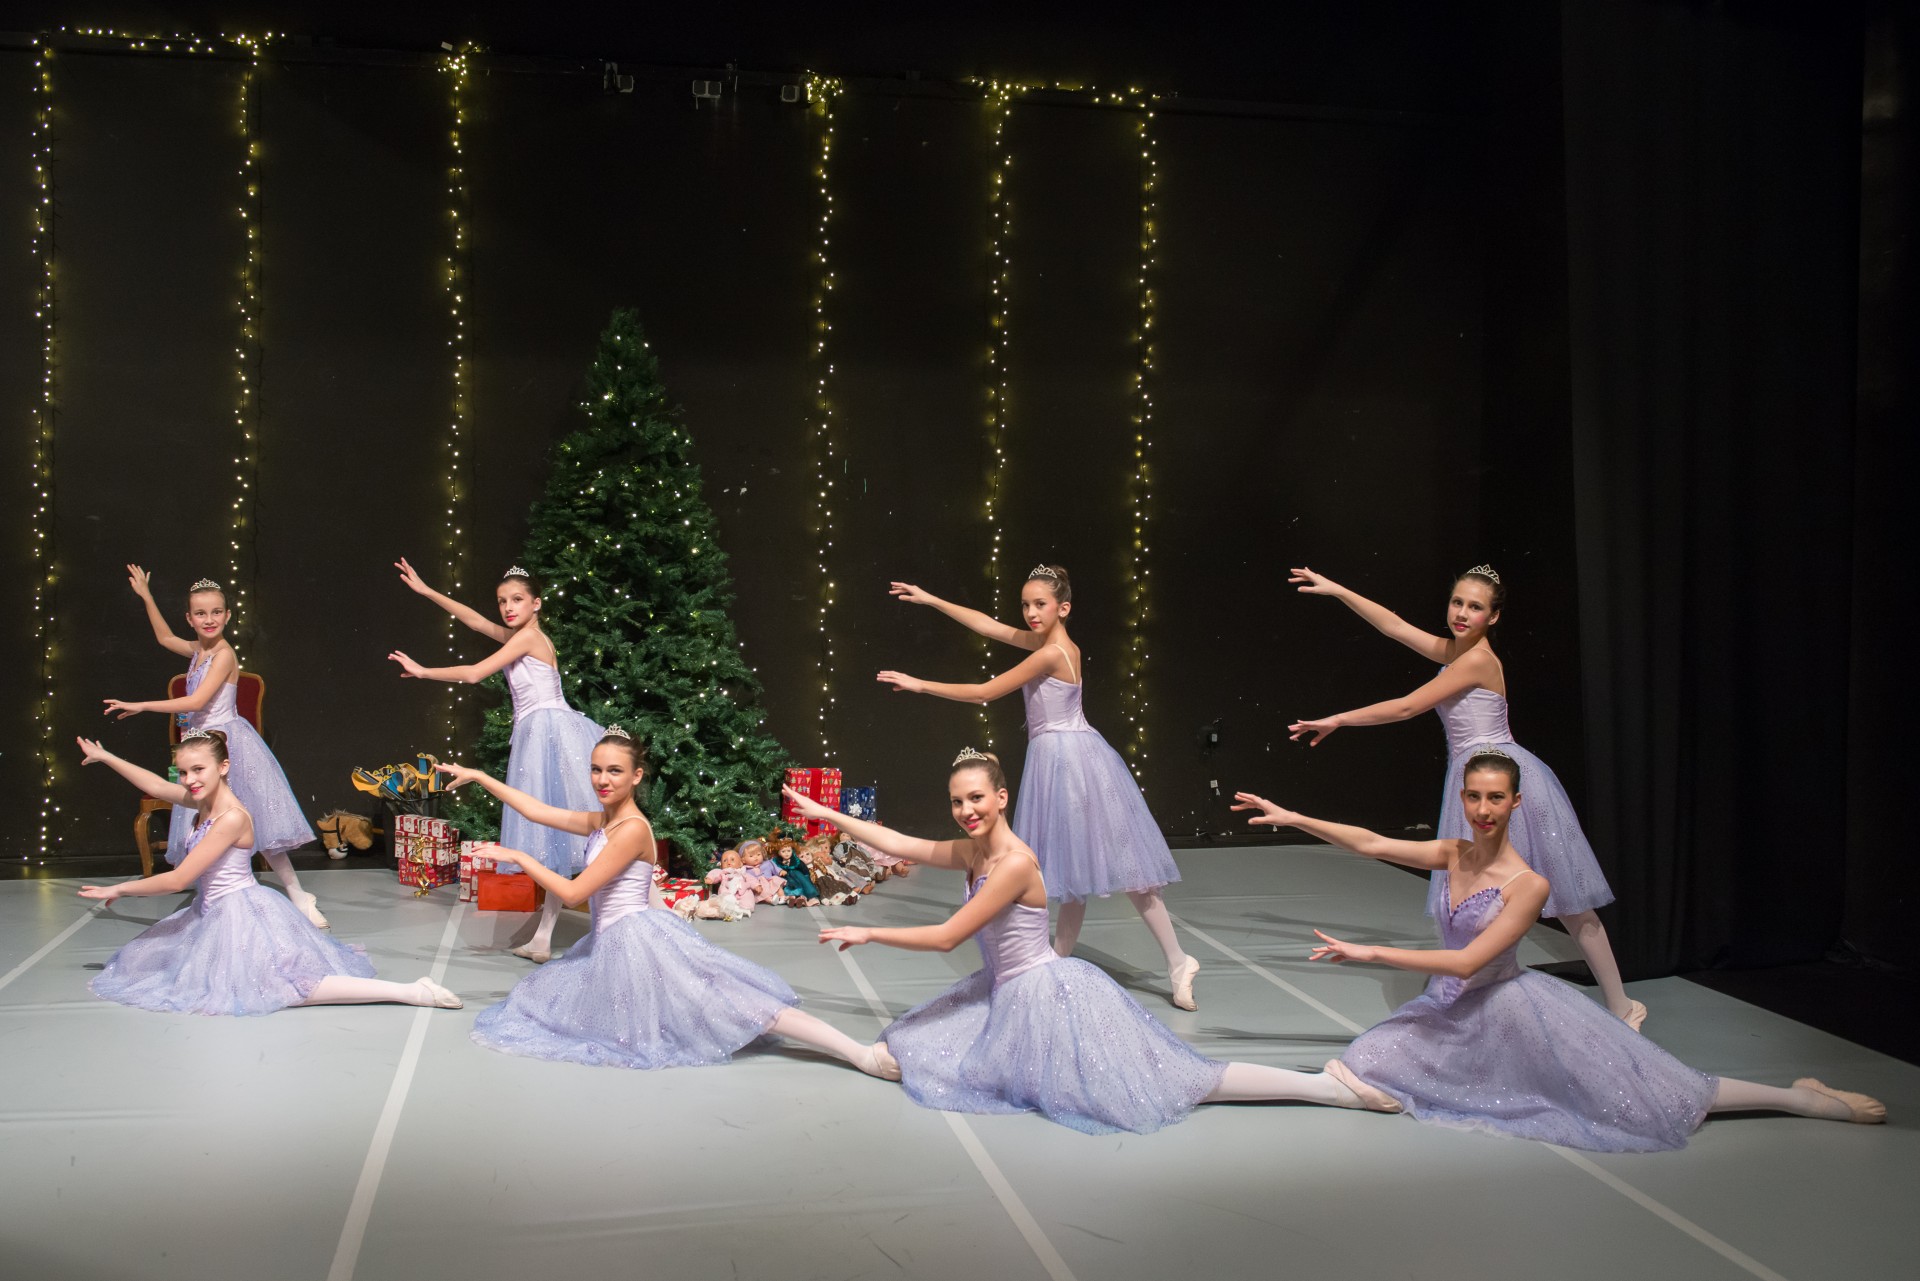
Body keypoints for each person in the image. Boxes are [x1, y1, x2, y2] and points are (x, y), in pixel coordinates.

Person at [1231, 752, 1886, 1151]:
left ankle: (1801, 1098)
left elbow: (1469, 962)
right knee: (1365, 1065)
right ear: (1463, 799)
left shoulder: (1530, 884)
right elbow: (1372, 842)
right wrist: (1295, 817)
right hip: (1449, 1011)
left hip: (1512, 1010)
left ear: (1515, 802)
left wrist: (1372, 953)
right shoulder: (1453, 852)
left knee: (1653, 1094)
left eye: (1496, 797)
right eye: (1473, 796)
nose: (1483, 809)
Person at [785, 751, 1395, 1136]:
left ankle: (1326, 1087)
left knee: (1176, 1078)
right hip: (1003, 992)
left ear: (1001, 798)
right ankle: (1325, 1087)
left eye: (977, 798)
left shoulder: (1014, 864)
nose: (966, 810)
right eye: (957, 801)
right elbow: (899, 842)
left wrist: (869, 930)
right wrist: (825, 811)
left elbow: (948, 937)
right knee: (908, 1052)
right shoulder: (974, 852)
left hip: (1048, 997)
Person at [1287, 563, 1639, 1028]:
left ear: (1493, 617)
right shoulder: (1458, 651)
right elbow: (1394, 626)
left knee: (1566, 900)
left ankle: (1622, 1006)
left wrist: (1338, 719)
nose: (1462, 613)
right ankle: (1465, 1002)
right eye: (1457, 602)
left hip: (1501, 780)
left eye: (1475, 607)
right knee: (1467, 894)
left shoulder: (1476, 660)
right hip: (1474, 778)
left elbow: (1409, 706)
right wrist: (1337, 589)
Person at [440, 731, 897, 1077]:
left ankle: (859, 1053)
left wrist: (520, 857)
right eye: (596, 770)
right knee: (710, 1007)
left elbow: (575, 893)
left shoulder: (631, 830)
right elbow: (537, 811)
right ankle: (855, 1052)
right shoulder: (603, 821)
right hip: (610, 943)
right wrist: (481, 777)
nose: (602, 780)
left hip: (638, 941)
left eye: (614, 771)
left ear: (636, 776)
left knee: (741, 1004)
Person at [881, 566, 1197, 1009]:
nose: (1030, 612)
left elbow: (985, 692)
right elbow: (988, 626)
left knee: (1124, 870)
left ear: (1063, 608)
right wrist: (932, 599)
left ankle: (1178, 961)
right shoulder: (1046, 644)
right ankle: (1057, 967)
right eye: (1025, 605)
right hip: (1057, 760)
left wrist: (920, 684)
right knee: (1068, 873)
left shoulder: (1052, 653)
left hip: (1074, 763)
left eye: (1040, 605)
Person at [78, 731, 460, 1015]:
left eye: (198, 770)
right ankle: (410, 991)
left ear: (223, 767)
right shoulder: (201, 800)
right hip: (211, 912)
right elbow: (157, 785)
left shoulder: (230, 817)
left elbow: (178, 880)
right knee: (170, 967)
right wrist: (106, 756)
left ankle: (412, 990)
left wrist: (121, 889)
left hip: (241, 913)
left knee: (288, 986)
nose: (189, 779)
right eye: (184, 772)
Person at [391, 560, 601, 962]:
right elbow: (474, 621)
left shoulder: (529, 638)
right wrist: (428, 591)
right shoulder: (518, 636)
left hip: (550, 734)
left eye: (517, 600)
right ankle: (542, 938)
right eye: (502, 601)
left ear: (536, 603)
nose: (507, 607)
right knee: (555, 838)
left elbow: (474, 674)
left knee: (579, 834)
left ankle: (639, 912)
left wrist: (424, 672)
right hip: (537, 733)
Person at [107, 567, 325, 928]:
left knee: (258, 821)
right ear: (190, 619)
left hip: (227, 745)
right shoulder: (197, 649)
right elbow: (164, 638)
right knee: (199, 819)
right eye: (201, 613)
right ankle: (215, 898)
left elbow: (196, 702)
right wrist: (147, 595)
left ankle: (299, 895)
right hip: (198, 746)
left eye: (216, 612)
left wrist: (141, 705)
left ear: (227, 616)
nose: (209, 620)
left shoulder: (224, 655)